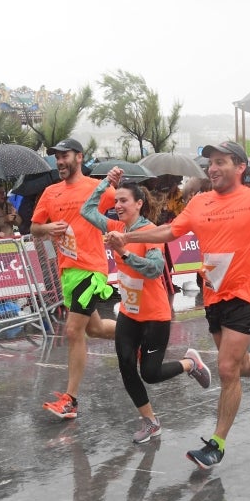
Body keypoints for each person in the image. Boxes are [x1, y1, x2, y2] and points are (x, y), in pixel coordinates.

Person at [107, 139, 250, 469]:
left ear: (240, 167)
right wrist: (128, 238)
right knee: (236, 363)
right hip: (214, 296)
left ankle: (216, 444)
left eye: (221, 162)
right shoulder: (200, 202)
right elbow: (168, 233)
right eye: (211, 163)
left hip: (246, 295)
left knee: (226, 368)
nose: (213, 168)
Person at [81, 170, 212, 443]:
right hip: (129, 314)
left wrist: (125, 252)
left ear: (139, 203)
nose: (117, 206)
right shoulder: (115, 229)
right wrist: (107, 183)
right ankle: (150, 421)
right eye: (115, 201)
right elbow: (87, 209)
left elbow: (154, 269)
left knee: (150, 374)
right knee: (126, 367)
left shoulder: (150, 233)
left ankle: (190, 363)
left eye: (123, 201)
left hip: (155, 316)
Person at [30, 139, 118, 420]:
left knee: (72, 331)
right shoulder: (50, 192)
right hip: (67, 271)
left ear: (79, 157)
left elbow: (123, 203)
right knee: (95, 330)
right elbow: (33, 228)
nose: (60, 162)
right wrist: (47, 228)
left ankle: (71, 400)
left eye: (65, 156)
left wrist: (113, 181)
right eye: (56, 157)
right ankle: (136, 333)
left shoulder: (95, 187)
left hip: (91, 268)